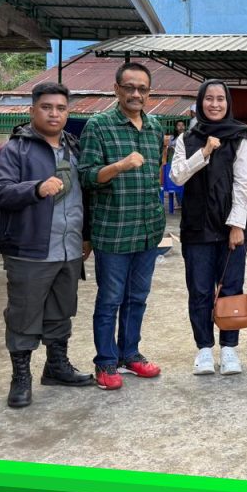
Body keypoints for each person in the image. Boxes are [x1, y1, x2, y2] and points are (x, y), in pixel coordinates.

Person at [0, 82, 95, 408]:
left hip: (69, 248)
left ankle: (56, 366)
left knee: (62, 310)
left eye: (61, 108)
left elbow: (84, 196)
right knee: (23, 313)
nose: (54, 114)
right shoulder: (15, 150)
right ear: (32, 110)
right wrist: (35, 189)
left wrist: (86, 235)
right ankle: (21, 377)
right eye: (46, 107)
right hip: (30, 248)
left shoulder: (74, 148)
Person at [79, 62, 166, 390]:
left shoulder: (155, 127)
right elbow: (86, 177)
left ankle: (130, 354)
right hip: (113, 231)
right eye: (129, 87)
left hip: (147, 230)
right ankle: (106, 361)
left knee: (138, 297)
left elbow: (154, 175)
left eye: (142, 89)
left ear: (149, 93)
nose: (136, 94)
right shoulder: (98, 126)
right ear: (116, 89)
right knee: (110, 299)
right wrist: (119, 165)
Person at [170, 79, 247, 376]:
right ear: (200, 102)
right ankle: (204, 348)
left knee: (231, 288)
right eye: (209, 98)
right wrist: (203, 152)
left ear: (228, 103)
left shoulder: (240, 136)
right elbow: (177, 177)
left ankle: (229, 348)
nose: (215, 104)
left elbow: (244, 184)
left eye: (220, 99)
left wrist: (237, 225)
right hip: (196, 227)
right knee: (200, 289)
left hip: (230, 227)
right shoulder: (187, 138)